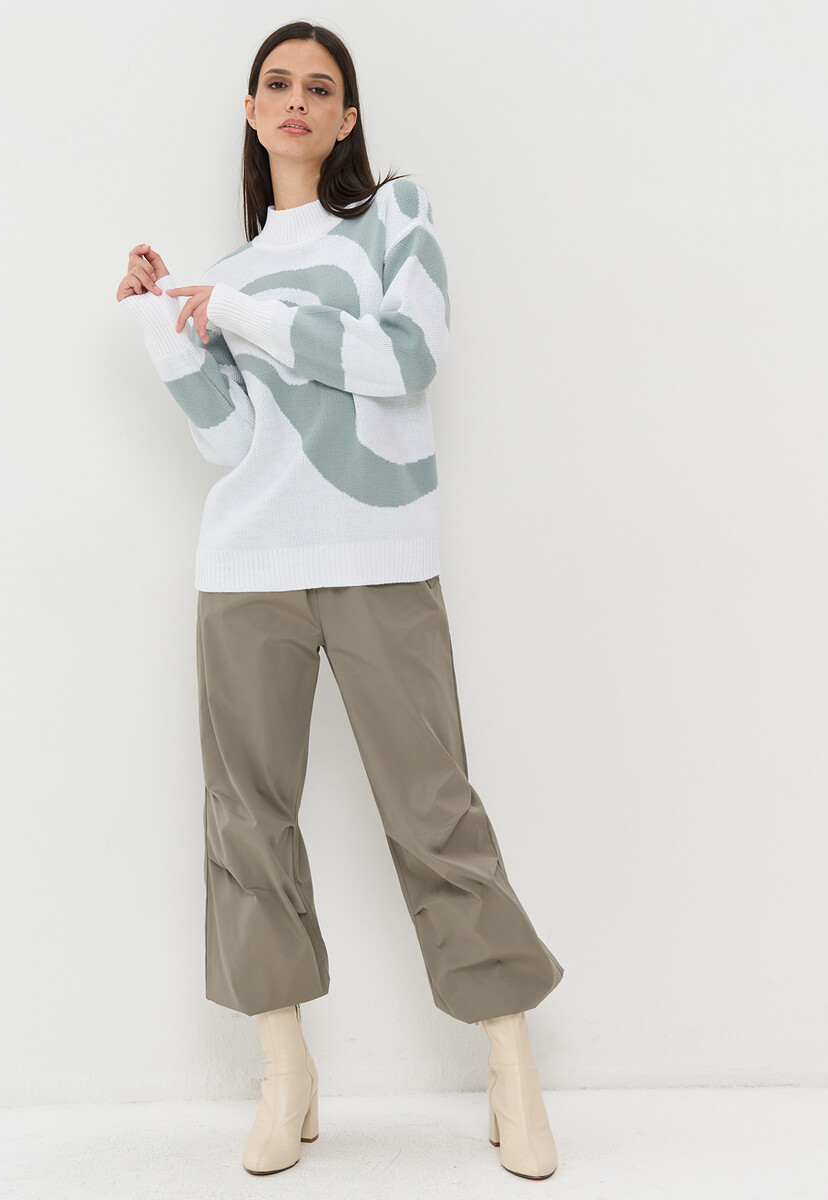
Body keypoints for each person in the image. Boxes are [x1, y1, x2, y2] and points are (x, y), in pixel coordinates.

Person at [116, 19, 564, 1182]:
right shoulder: (230, 272)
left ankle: (511, 1068)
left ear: (348, 117)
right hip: (246, 571)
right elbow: (233, 445)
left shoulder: (394, 220)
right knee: (246, 823)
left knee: (434, 813)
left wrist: (238, 315)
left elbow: (406, 357)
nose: (298, 101)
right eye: (277, 84)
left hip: (379, 557)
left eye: (321, 87)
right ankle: (286, 1074)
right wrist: (167, 327)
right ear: (251, 111)